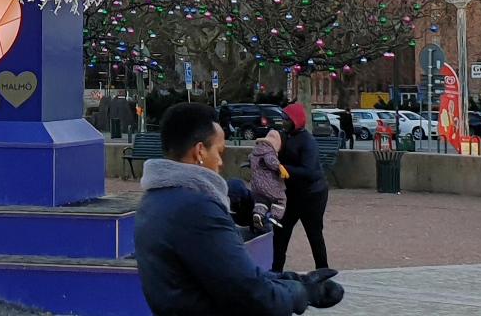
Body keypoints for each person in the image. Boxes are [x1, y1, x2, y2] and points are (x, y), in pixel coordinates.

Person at [135, 102, 343, 315]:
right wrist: (302, 292)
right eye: (219, 151)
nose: (220, 162)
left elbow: (227, 275)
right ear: (199, 151)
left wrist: (292, 279)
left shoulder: (152, 202)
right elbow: (251, 292)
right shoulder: (197, 209)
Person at [273, 104, 330, 273]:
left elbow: (310, 172)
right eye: (283, 119)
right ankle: (276, 271)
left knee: (314, 233)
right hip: (292, 194)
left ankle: (322, 271)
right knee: (280, 231)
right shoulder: (286, 136)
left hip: (312, 195)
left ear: (295, 121)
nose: (283, 123)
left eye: (287, 120)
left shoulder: (307, 141)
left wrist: (284, 169)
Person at [250, 130, 288, 232]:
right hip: (268, 184)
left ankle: (258, 214)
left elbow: (250, 159)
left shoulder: (256, 150)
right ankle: (274, 216)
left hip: (255, 184)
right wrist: (279, 167)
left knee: (261, 200)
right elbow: (270, 160)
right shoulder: (268, 151)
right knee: (280, 199)